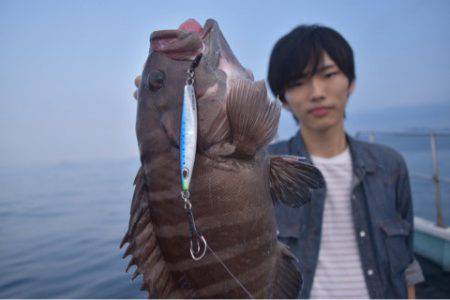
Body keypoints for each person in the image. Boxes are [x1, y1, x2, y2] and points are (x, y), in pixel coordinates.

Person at [267, 24, 424, 298]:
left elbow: (406, 267)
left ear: (350, 82)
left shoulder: (390, 166)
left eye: (328, 74)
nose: (317, 92)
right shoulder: (264, 168)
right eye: (297, 82)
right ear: (283, 99)